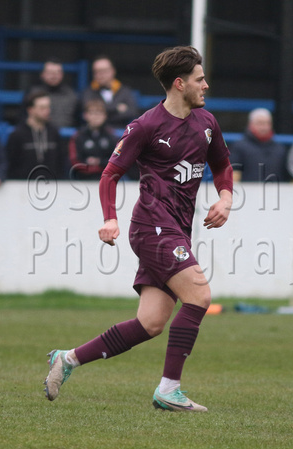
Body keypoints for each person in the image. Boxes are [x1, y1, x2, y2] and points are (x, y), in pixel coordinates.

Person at [44, 46, 233, 412]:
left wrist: (225, 198)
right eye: (199, 79)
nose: (206, 85)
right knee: (200, 296)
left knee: (151, 322)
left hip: (178, 228)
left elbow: (223, 164)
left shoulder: (207, 123)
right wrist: (110, 218)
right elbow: (110, 175)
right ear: (179, 84)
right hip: (151, 227)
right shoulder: (145, 126)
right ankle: (169, 390)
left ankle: (66, 359)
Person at [6, 90, 64, 180]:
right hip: (22, 188)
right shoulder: (17, 134)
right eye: (42, 108)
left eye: (48, 107)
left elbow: (61, 163)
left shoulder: (54, 132)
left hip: (52, 187)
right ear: (30, 110)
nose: (47, 111)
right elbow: (10, 164)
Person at [230, 108, 291, 182]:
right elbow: (233, 177)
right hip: (248, 192)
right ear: (250, 124)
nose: (264, 127)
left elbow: (289, 177)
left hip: (276, 192)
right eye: (260, 123)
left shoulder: (280, 149)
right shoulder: (238, 147)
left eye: (267, 123)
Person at [81, 55, 138, 129]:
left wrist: (102, 113)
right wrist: (117, 109)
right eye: (97, 72)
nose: (100, 75)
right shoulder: (88, 93)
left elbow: (132, 112)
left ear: (112, 71)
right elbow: (87, 112)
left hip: (120, 134)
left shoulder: (125, 91)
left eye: (104, 71)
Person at [22, 58, 79, 129]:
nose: (54, 76)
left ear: (62, 74)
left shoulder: (71, 95)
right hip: (37, 136)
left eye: (57, 72)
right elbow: (23, 118)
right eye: (50, 72)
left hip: (65, 138)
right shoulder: (32, 93)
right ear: (42, 74)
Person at [68, 100, 118, 180]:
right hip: (82, 180)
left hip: (107, 180)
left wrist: (99, 162)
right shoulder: (78, 136)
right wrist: (91, 168)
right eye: (92, 113)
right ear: (85, 115)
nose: (96, 116)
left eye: (99, 113)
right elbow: (75, 161)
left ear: (105, 116)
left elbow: (116, 160)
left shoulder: (112, 136)